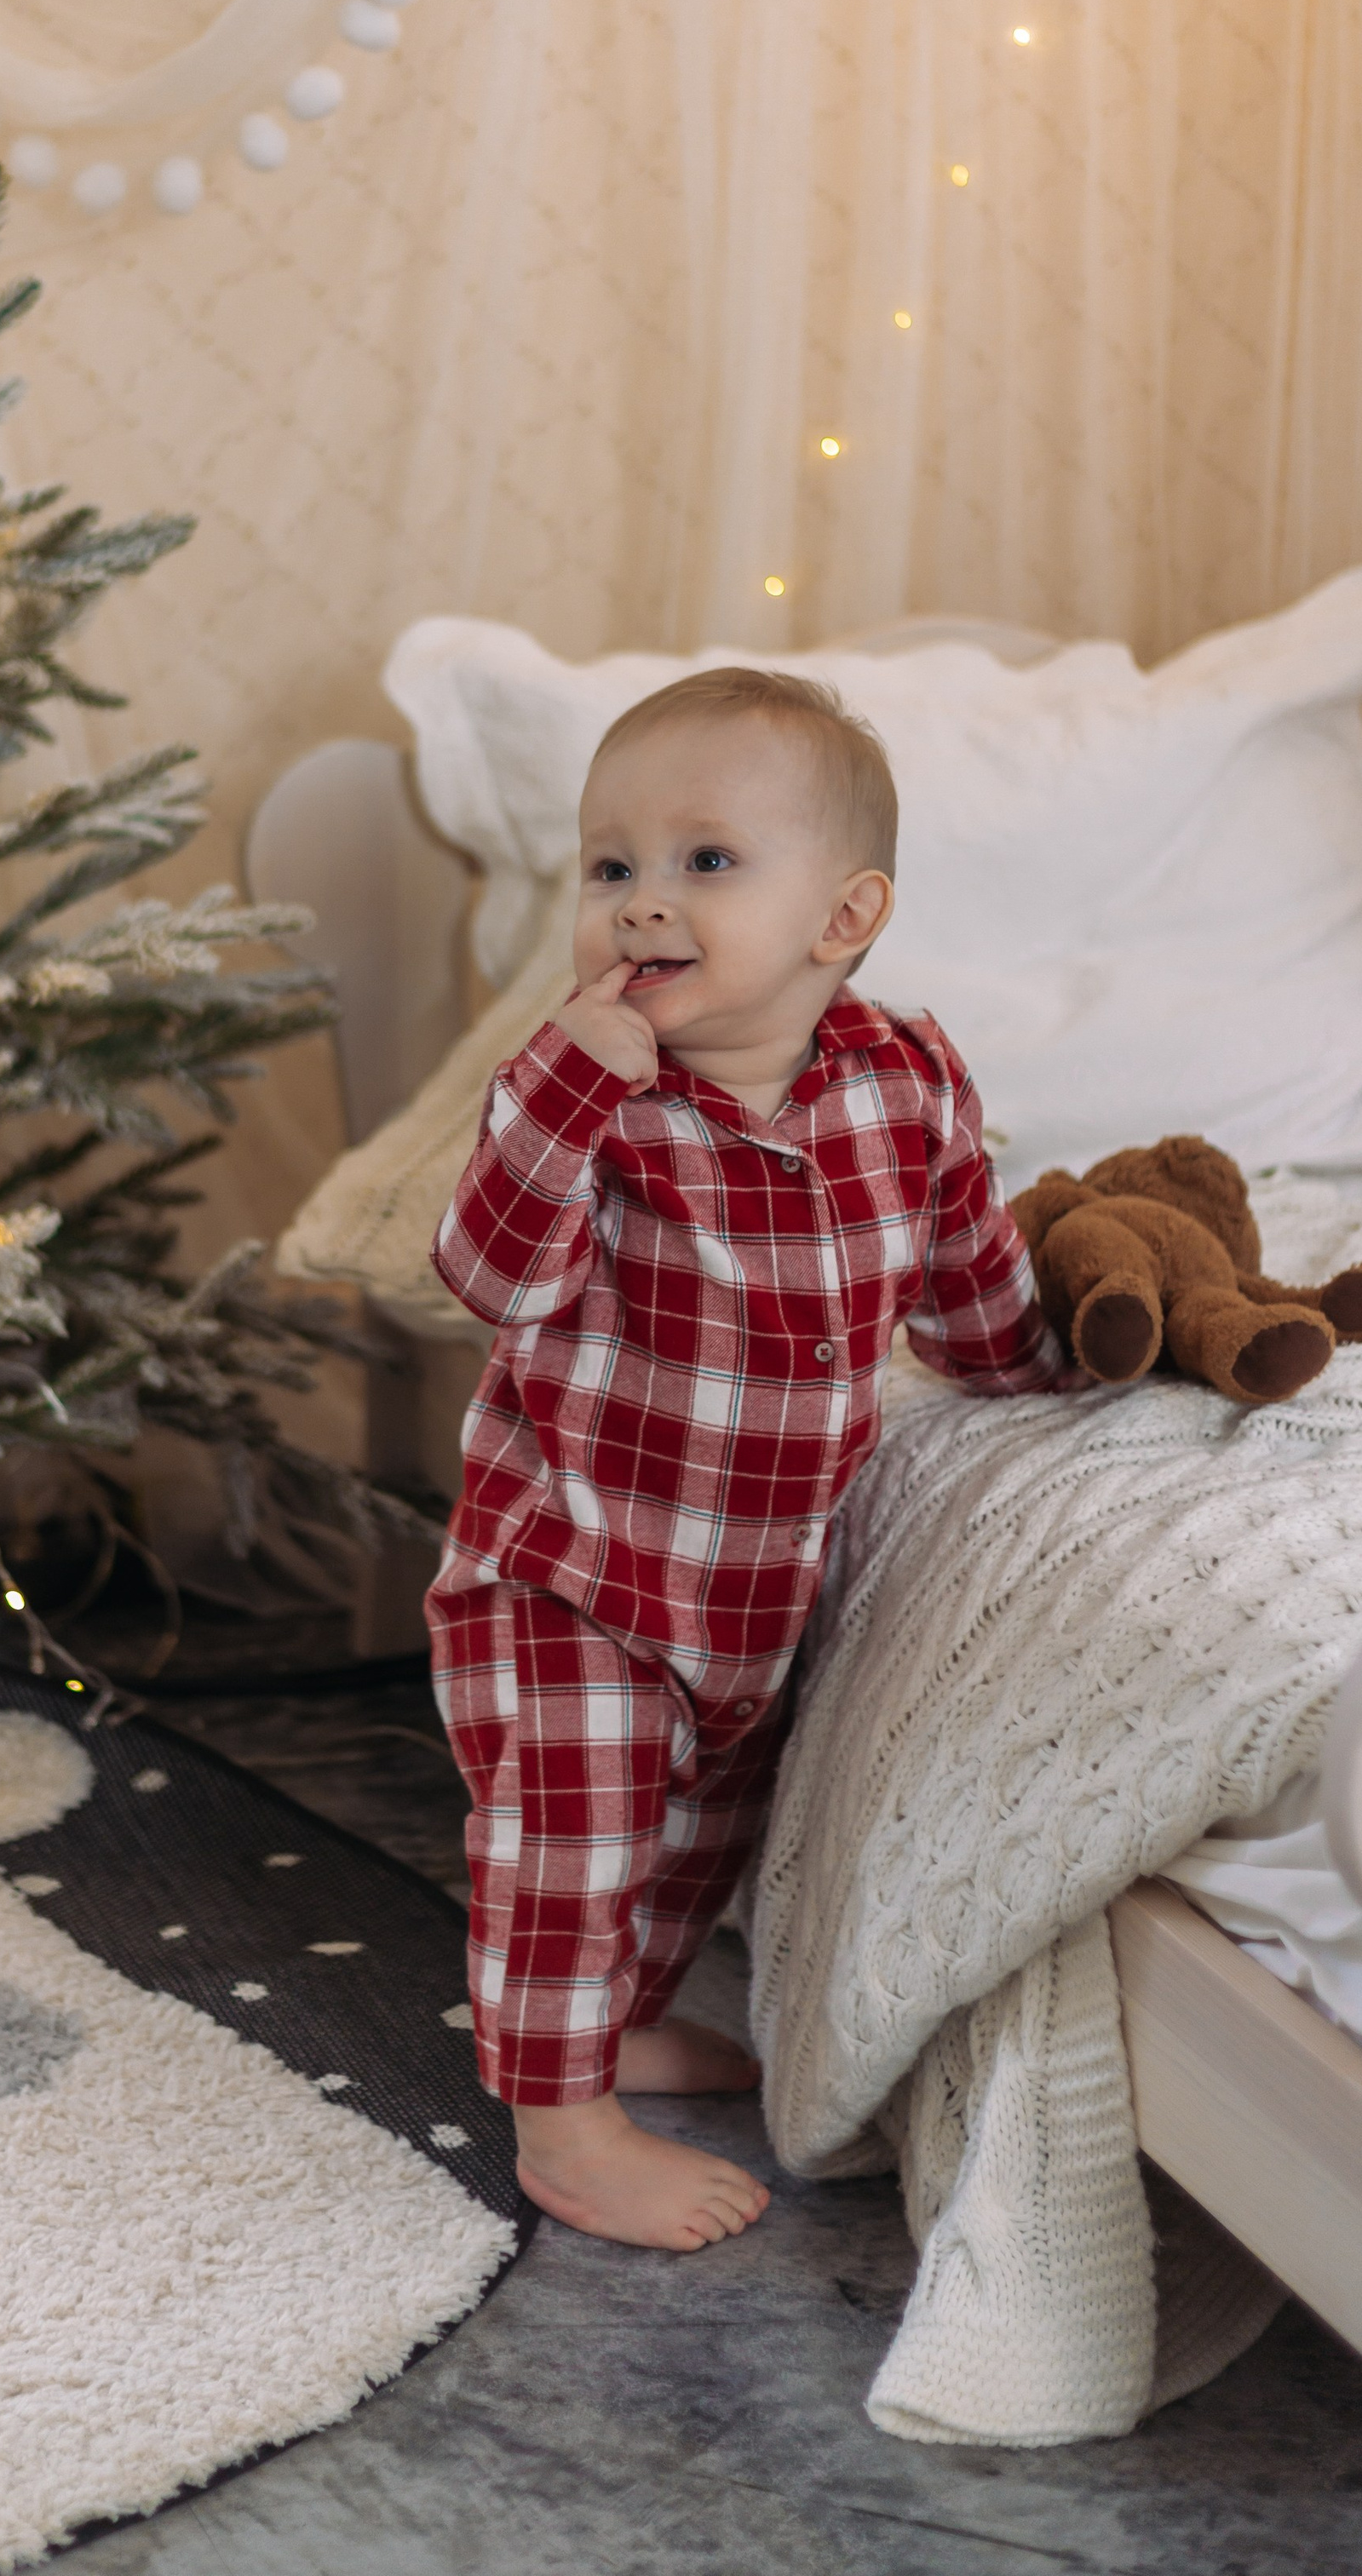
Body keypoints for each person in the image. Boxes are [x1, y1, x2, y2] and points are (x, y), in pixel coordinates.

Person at [426, 665, 1067, 2252]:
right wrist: (575, 1082)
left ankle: (623, 2023)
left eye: (705, 861)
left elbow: (969, 1274)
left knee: (695, 1836)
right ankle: (563, 2127)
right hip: (568, 1562)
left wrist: (1056, 1378)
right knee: (575, 1835)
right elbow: (487, 1273)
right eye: (611, 866)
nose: (641, 902)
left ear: (844, 917)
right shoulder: (585, 1099)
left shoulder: (905, 1081)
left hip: (749, 1589)